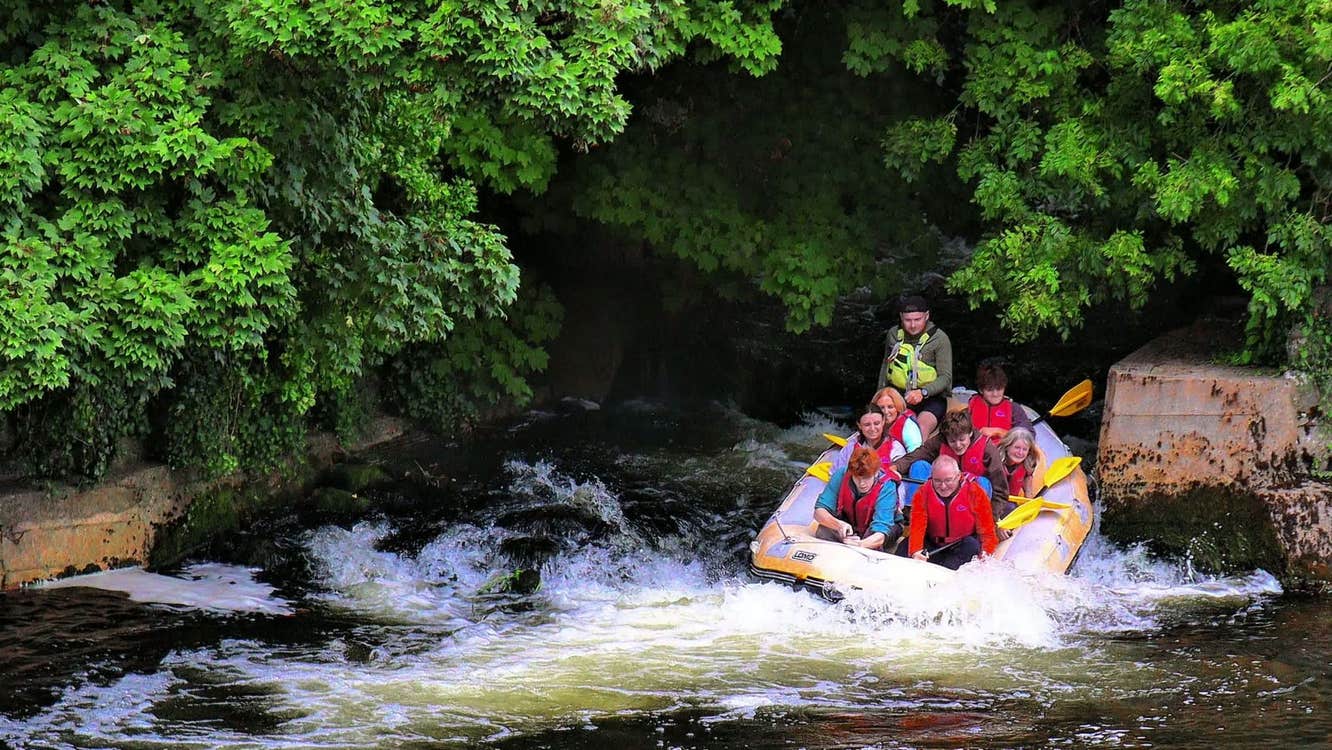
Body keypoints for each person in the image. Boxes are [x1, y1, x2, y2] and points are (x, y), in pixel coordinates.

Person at [893, 409, 1009, 509]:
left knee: (983, 482)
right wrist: (895, 467)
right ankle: (913, 513)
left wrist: (992, 519)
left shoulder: (987, 448)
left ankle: (975, 521)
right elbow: (917, 454)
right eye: (952, 441)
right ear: (946, 437)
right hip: (943, 490)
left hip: (970, 496)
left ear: (970, 433)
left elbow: (1000, 490)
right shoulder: (940, 440)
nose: (958, 445)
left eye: (962, 439)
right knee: (919, 465)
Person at [877, 295, 953, 440]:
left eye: (917, 320)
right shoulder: (893, 334)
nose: (912, 325)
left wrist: (923, 392)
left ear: (927, 316)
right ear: (901, 317)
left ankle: (912, 459)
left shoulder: (940, 339)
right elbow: (885, 367)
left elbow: (946, 377)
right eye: (907, 320)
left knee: (919, 430)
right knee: (885, 428)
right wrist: (879, 397)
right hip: (899, 395)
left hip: (931, 397)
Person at [907, 455, 998, 570]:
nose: (943, 486)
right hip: (933, 543)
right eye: (937, 481)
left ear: (959, 476)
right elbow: (917, 525)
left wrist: (986, 555)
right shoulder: (922, 492)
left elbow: (988, 531)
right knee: (904, 548)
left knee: (972, 546)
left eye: (948, 480)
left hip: (961, 544)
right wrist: (916, 551)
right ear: (931, 478)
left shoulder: (975, 492)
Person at [814, 445, 903, 551]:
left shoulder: (887, 486)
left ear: (875, 473)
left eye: (866, 478)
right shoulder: (841, 475)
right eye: (857, 478)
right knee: (824, 529)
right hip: (851, 523)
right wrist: (838, 525)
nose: (862, 484)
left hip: (882, 528)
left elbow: (881, 531)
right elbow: (819, 511)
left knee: (873, 539)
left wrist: (860, 544)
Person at [968, 362, 1034, 444]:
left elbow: (1029, 436)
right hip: (975, 452)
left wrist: (999, 432)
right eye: (990, 390)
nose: (995, 394)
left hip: (1003, 453)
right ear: (981, 390)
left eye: (999, 389)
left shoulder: (1014, 408)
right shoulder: (971, 405)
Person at [830, 404, 893, 471]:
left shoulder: (895, 447)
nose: (872, 428)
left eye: (876, 423)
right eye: (867, 424)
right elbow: (836, 473)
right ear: (859, 425)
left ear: (883, 422)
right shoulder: (850, 448)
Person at [871, 386, 923, 457]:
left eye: (890, 407)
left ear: (898, 407)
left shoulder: (908, 425)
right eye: (881, 408)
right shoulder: (870, 424)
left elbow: (916, 455)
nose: (886, 412)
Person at [998, 426, 1038, 500]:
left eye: (1024, 449)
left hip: (1010, 501)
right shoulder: (993, 459)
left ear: (1028, 452)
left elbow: (1028, 493)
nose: (1020, 453)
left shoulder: (1028, 465)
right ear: (1007, 446)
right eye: (1017, 447)